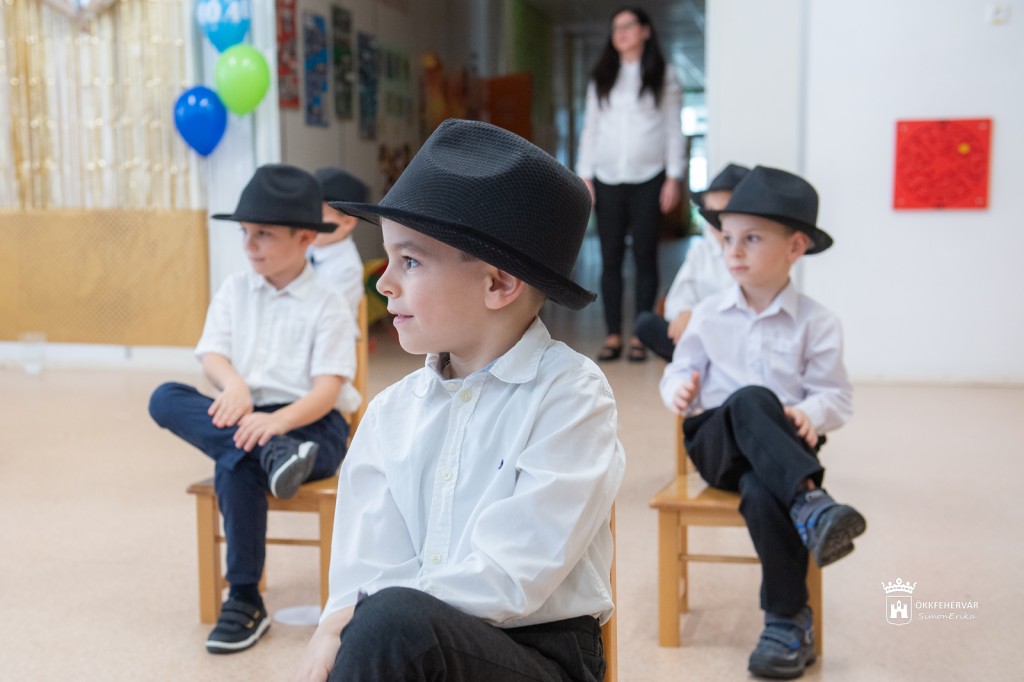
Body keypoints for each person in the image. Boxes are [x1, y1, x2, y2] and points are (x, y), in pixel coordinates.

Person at [296, 119, 626, 682]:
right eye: (388, 259)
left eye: (410, 261)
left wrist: (358, 617)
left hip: (540, 657)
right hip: (404, 647)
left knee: (389, 623)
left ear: (498, 284)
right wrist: (343, 619)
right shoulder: (390, 413)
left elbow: (513, 575)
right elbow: (364, 569)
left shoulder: (571, 395)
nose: (384, 283)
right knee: (383, 627)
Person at [659, 166, 865, 679]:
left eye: (751, 239)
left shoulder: (818, 322)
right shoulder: (708, 314)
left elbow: (837, 398)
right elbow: (680, 369)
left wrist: (809, 412)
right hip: (717, 446)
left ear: (795, 247)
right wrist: (676, 388)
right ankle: (812, 504)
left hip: (780, 455)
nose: (733, 251)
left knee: (761, 488)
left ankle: (786, 620)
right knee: (750, 399)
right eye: (727, 238)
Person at [148, 164, 360, 654]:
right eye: (244, 232)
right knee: (165, 398)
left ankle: (243, 598)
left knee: (235, 461)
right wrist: (235, 385)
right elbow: (212, 355)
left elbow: (329, 389)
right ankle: (271, 453)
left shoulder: (328, 302)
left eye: (263, 234)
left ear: (305, 237)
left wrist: (278, 423)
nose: (249, 245)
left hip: (311, 426)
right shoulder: (234, 289)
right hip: (247, 415)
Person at [576, 6, 685, 363]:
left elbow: (673, 128)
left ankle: (640, 334)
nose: (620, 33)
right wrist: (585, 174)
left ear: (645, 31)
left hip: (649, 178)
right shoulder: (602, 77)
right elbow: (591, 129)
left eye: (627, 26)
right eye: (615, 28)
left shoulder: (663, 75)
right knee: (610, 258)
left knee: (645, 257)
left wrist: (674, 176)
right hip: (607, 178)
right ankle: (612, 334)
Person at [635, 163, 748, 360]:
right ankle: (701, 364)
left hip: (735, 339)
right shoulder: (701, 251)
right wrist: (684, 313)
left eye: (722, 214)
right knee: (646, 323)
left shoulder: (756, 254)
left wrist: (699, 317)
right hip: (701, 336)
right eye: (709, 212)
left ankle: (704, 365)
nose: (714, 223)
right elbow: (677, 299)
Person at [309, 167, 370, 319]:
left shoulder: (347, 269)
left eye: (318, 214)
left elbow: (329, 317)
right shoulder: (307, 248)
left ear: (348, 222)